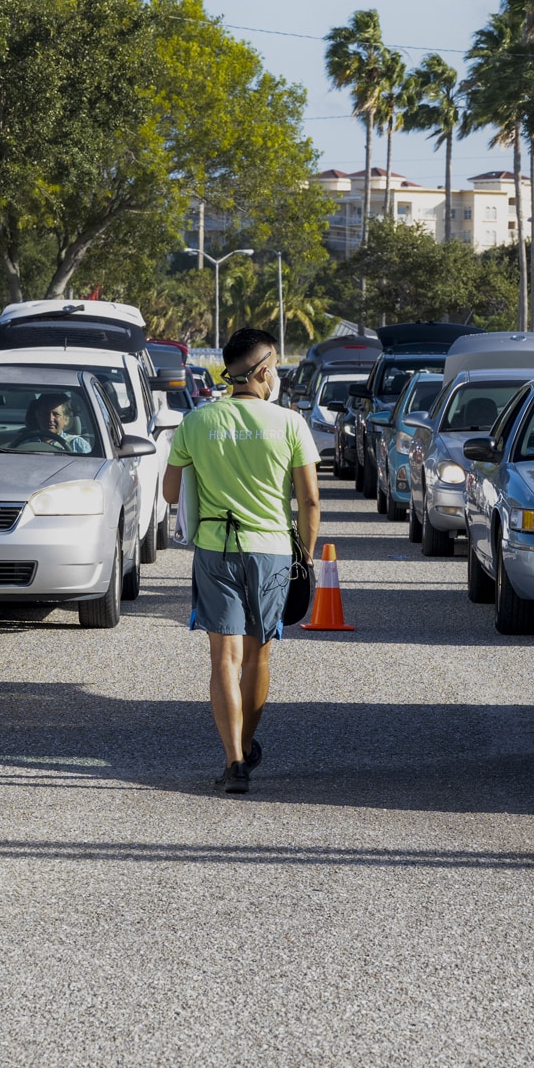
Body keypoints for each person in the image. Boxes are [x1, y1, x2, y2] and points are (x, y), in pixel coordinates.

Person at [161, 327, 320, 795]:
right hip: (272, 550)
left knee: (224, 658)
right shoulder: (290, 423)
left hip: (216, 548)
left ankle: (233, 762)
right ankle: (247, 746)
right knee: (257, 655)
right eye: (276, 367)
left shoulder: (197, 421)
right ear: (265, 369)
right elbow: (310, 501)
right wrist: (306, 557)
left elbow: (170, 493)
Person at [15, 391, 91, 454]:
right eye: (45, 414)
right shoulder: (24, 443)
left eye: (56, 414)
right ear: (37, 417)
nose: (50, 419)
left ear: (66, 419)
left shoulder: (78, 444)